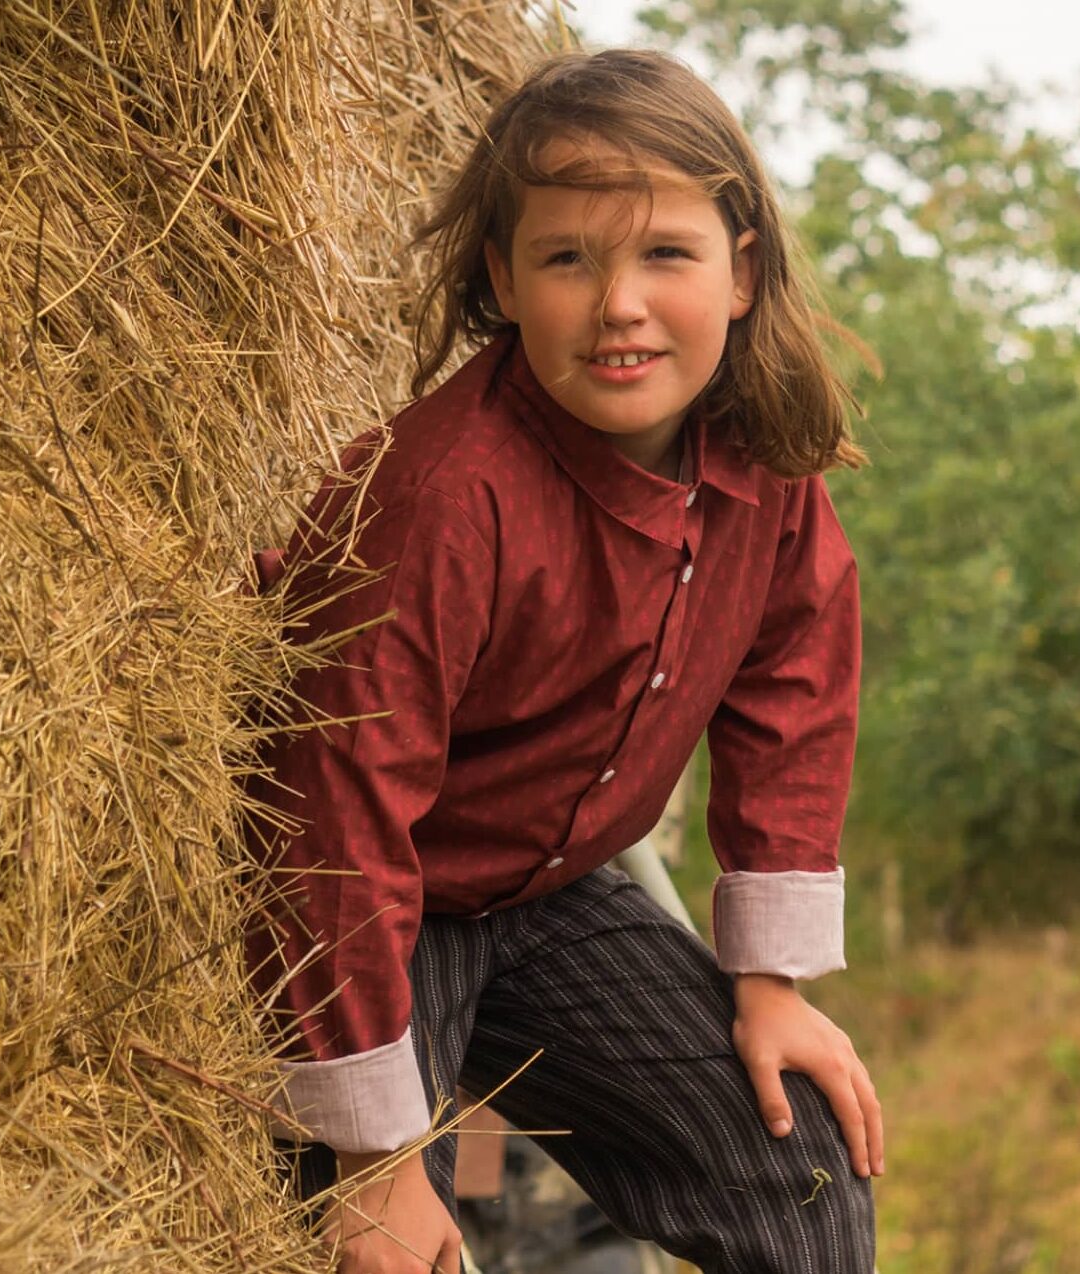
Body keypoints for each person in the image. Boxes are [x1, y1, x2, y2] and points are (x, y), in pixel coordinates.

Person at [246, 47, 882, 1274]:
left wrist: (768, 977)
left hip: (556, 895)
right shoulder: (440, 493)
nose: (618, 304)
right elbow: (335, 806)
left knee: (803, 1165)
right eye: (565, 258)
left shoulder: (761, 469)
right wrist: (373, 1165)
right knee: (368, 1250)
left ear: (741, 270)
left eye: (664, 253)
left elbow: (793, 689)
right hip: (391, 904)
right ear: (502, 277)